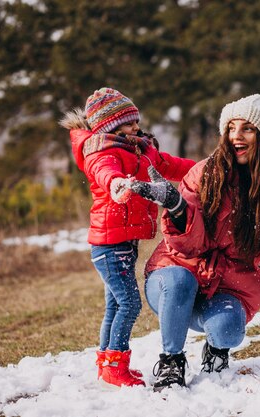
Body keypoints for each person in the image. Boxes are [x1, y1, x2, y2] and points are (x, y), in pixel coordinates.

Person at [130, 94, 260, 391]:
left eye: (247, 128)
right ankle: (171, 362)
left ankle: (217, 349)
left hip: (232, 287)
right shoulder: (204, 173)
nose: (236, 136)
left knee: (227, 328)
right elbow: (187, 247)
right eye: (231, 128)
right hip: (174, 277)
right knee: (179, 281)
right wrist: (177, 207)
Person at [59, 87, 195, 389]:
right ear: (109, 126)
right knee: (129, 304)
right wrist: (118, 183)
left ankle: (110, 365)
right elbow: (105, 172)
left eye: (135, 121)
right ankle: (114, 365)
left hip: (122, 242)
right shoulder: (101, 150)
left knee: (115, 304)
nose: (136, 127)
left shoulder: (139, 148)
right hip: (109, 244)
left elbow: (169, 164)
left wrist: (204, 168)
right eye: (128, 123)